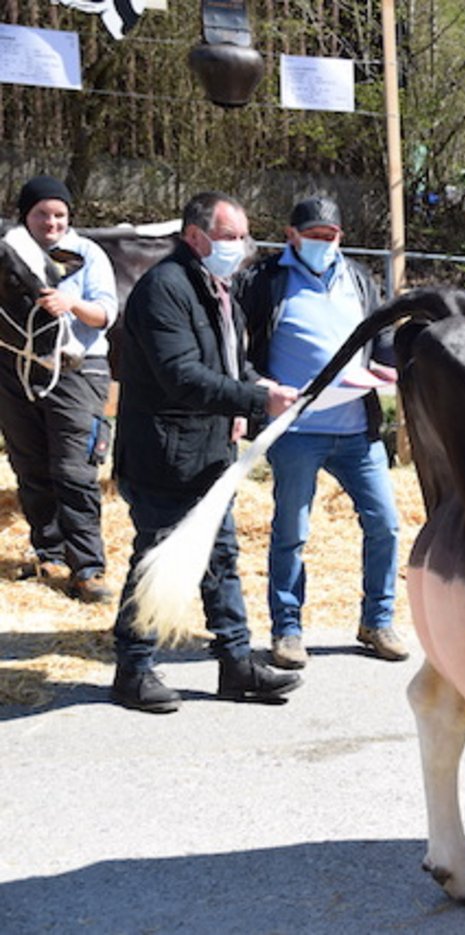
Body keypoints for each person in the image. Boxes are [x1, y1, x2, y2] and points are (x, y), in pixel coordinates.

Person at [109, 191, 303, 713]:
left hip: (210, 454)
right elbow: (181, 376)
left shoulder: (219, 291)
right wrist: (257, 400)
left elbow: (230, 364)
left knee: (221, 560)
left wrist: (262, 386)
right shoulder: (164, 289)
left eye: (243, 235)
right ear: (195, 236)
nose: (240, 246)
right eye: (229, 236)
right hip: (165, 455)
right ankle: (133, 669)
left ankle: (235, 664)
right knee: (156, 560)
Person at [234, 196, 406, 669]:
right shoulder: (263, 281)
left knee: (385, 523)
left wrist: (391, 367)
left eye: (330, 237)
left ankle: (378, 620)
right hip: (296, 430)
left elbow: (381, 339)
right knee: (292, 531)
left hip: (357, 429)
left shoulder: (359, 279)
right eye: (313, 236)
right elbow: (236, 348)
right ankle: (287, 630)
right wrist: (260, 388)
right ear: (291, 235)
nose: (323, 244)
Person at [0, 175, 118, 602]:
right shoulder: (10, 251)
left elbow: (106, 312)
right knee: (29, 463)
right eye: (42, 214)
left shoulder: (87, 253)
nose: (51, 223)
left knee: (74, 469)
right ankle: (48, 553)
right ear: (25, 216)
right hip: (18, 367)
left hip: (76, 368)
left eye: (59, 215)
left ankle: (88, 567)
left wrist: (72, 304)